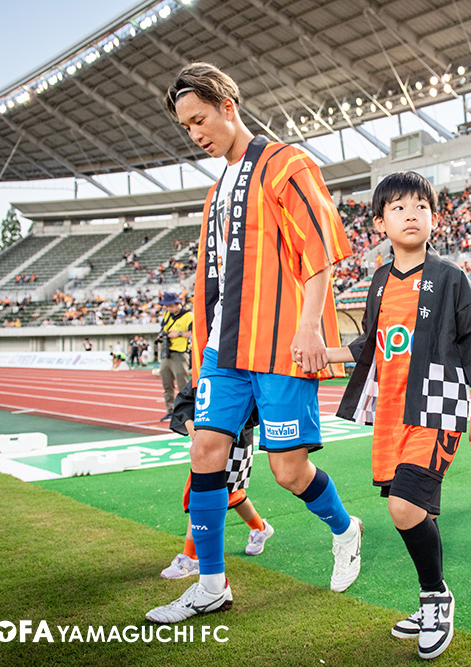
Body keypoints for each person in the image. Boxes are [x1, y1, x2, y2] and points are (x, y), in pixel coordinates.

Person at [146, 63, 360, 624]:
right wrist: (202, 349)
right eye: (186, 127)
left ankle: (345, 529)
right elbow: (214, 277)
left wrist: (309, 327)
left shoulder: (286, 162)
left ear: (228, 105)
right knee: (204, 452)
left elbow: (319, 251)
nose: (195, 134)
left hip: (279, 343)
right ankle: (211, 585)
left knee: (288, 471)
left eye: (199, 119)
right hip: (223, 348)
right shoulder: (215, 192)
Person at [329, 171, 471, 659]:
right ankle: (432, 595)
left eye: (421, 207)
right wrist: (324, 353)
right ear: (379, 222)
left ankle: (436, 598)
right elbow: (371, 344)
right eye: (399, 207)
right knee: (419, 509)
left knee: (403, 508)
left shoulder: (450, 276)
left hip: (438, 406)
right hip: (392, 411)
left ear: (434, 218)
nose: (411, 214)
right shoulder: (379, 282)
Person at [162, 395, 273, 579]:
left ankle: (191, 556)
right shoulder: (202, 375)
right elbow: (185, 401)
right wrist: (192, 429)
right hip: (209, 441)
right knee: (227, 493)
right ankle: (260, 528)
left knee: (204, 494)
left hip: (234, 441)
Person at [158, 292, 193, 420]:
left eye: (170, 306)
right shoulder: (167, 314)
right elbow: (163, 329)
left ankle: (186, 413)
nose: (167, 308)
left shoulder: (188, 316)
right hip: (167, 352)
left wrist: (178, 333)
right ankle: (171, 411)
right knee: (167, 384)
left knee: (183, 385)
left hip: (180, 354)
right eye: (166, 306)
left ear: (178, 303)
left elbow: (194, 332)